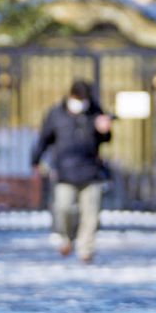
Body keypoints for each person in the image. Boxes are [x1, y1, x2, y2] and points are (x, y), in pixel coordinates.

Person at [31, 80, 112, 263]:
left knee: (91, 214)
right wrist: (35, 160)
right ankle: (66, 237)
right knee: (63, 209)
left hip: (91, 172)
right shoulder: (56, 114)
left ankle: (85, 249)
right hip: (64, 172)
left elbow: (106, 138)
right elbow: (44, 138)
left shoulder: (95, 112)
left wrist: (105, 130)